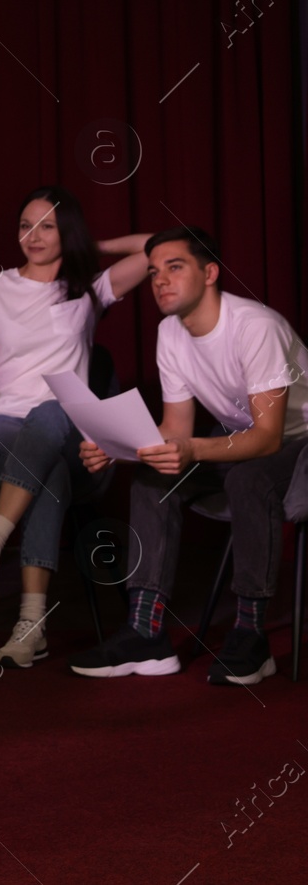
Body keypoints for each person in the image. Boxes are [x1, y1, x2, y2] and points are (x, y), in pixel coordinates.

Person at [68, 227, 308, 686]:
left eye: (175, 268)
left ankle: (251, 635)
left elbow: (269, 437)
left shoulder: (254, 326)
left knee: (247, 479)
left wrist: (193, 448)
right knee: (153, 479)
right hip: (242, 438)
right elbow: (174, 431)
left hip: (298, 441)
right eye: (154, 272)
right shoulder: (169, 333)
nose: (159, 280)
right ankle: (146, 632)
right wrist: (116, 450)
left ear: (211, 272)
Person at [0, 187, 149, 667]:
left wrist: (90, 247)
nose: (32, 236)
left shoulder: (89, 288)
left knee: (53, 413)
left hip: (70, 432)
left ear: (67, 231)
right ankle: (30, 626)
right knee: (46, 470)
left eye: (47, 226)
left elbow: (162, 246)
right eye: (25, 226)